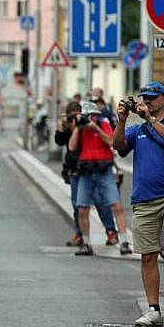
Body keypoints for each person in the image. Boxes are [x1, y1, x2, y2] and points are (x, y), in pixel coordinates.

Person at [113, 82, 164, 326]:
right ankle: (154, 310)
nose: (148, 101)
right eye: (144, 98)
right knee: (148, 256)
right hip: (144, 198)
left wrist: (152, 120)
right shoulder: (137, 129)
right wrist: (121, 120)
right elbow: (118, 146)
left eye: (152, 97)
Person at [68, 101, 131, 256]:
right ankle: (86, 243)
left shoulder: (103, 124)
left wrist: (96, 128)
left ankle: (124, 241)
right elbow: (71, 147)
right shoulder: (80, 128)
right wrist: (77, 128)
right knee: (82, 208)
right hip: (86, 171)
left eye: (94, 115)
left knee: (116, 205)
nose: (92, 118)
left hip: (104, 170)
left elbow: (112, 142)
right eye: (89, 116)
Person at [55, 101, 118, 248]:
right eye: (73, 115)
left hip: (91, 168)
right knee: (79, 206)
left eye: (78, 114)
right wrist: (64, 126)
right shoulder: (72, 126)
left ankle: (111, 231)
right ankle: (80, 234)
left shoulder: (88, 124)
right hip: (75, 169)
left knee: (101, 202)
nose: (77, 117)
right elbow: (60, 141)